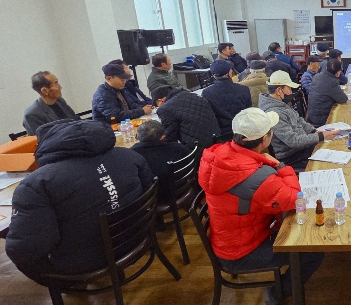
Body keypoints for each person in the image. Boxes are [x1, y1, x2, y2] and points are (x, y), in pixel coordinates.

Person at [198, 108, 324, 305]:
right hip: (242, 251)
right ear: (265, 139)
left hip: (230, 240)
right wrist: (281, 167)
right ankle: (276, 294)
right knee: (313, 251)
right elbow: (294, 199)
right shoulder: (255, 177)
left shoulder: (222, 154)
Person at [5, 120, 154, 284]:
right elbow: (149, 189)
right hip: (138, 235)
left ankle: (67, 286)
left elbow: (24, 248)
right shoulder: (129, 155)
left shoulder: (37, 184)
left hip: (88, 260)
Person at [258, 71, 339, 171]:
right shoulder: (274, 113)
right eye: (289, 88)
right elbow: (293, 141)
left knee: (332, 146)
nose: (291, 92)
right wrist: (320, 137)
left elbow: (299, 120)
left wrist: (314, 131)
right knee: (330, 162)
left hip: (302, 147)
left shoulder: (280, 103)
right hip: (292, 156)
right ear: (279, 91)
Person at [131, 120, 191, 202]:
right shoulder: (179, 148)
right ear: (163, 137)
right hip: (183, 188)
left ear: (136, 136)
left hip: (155, 198)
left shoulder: (132, 156)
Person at [153, 86, 221, 149]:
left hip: (196, 148)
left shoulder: (164, 109)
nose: (158, 107)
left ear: (161, 100)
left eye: (157, 105)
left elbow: (171, 135)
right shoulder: (193, 95)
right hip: (217, 139)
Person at [201, 60, 253, 134]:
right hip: (242, 130)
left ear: (213, 75)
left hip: (221, 133)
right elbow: (249, 111)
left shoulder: (206, 93)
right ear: (229, 73)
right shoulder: (243, 89)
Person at [307, 59, 349, 127]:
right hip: (321, 119)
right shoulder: (332, 82)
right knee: (346, 117)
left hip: (311, 116)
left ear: (326, 68)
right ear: (338, 73)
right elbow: (343, 99)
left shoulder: (317, 76)